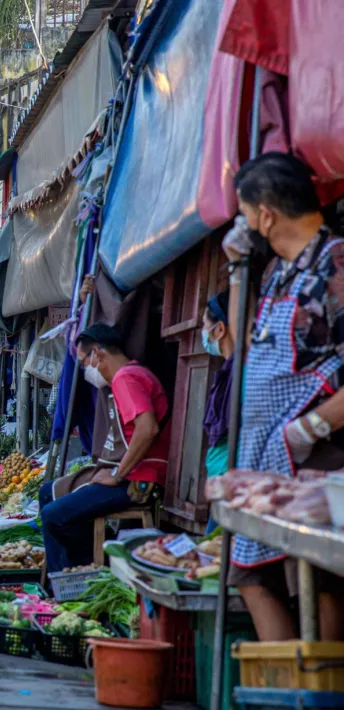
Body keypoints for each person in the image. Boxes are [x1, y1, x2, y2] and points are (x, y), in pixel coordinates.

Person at [222, 152, 344, 642]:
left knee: (317, 582)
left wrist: (310, 427)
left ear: (265, 214)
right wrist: (236, 272)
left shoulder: (336, 264)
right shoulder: (274, 272)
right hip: (265, 454)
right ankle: (287, 690)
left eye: (244, 212)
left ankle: (319, 691)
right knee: (251, 578)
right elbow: (240, 351)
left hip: (322, 452)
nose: (244, 223)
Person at [38, 323, 170, 575]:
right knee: (48, 493)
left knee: (54, 515)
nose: (84, 369)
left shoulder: (126, 378)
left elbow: (147, 427)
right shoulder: (129, 376)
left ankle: (69, 583)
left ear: (97, 353)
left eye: (84, 361)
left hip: (138, 481)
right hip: (129, 474)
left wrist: (118, 474)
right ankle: (86, 565)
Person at [201, 292, 234, 533]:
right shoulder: (228, 370)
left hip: (230, 485)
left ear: (219, 329)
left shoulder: (240, 371)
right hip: (221, 481)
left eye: (204, 325)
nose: (203, 333)